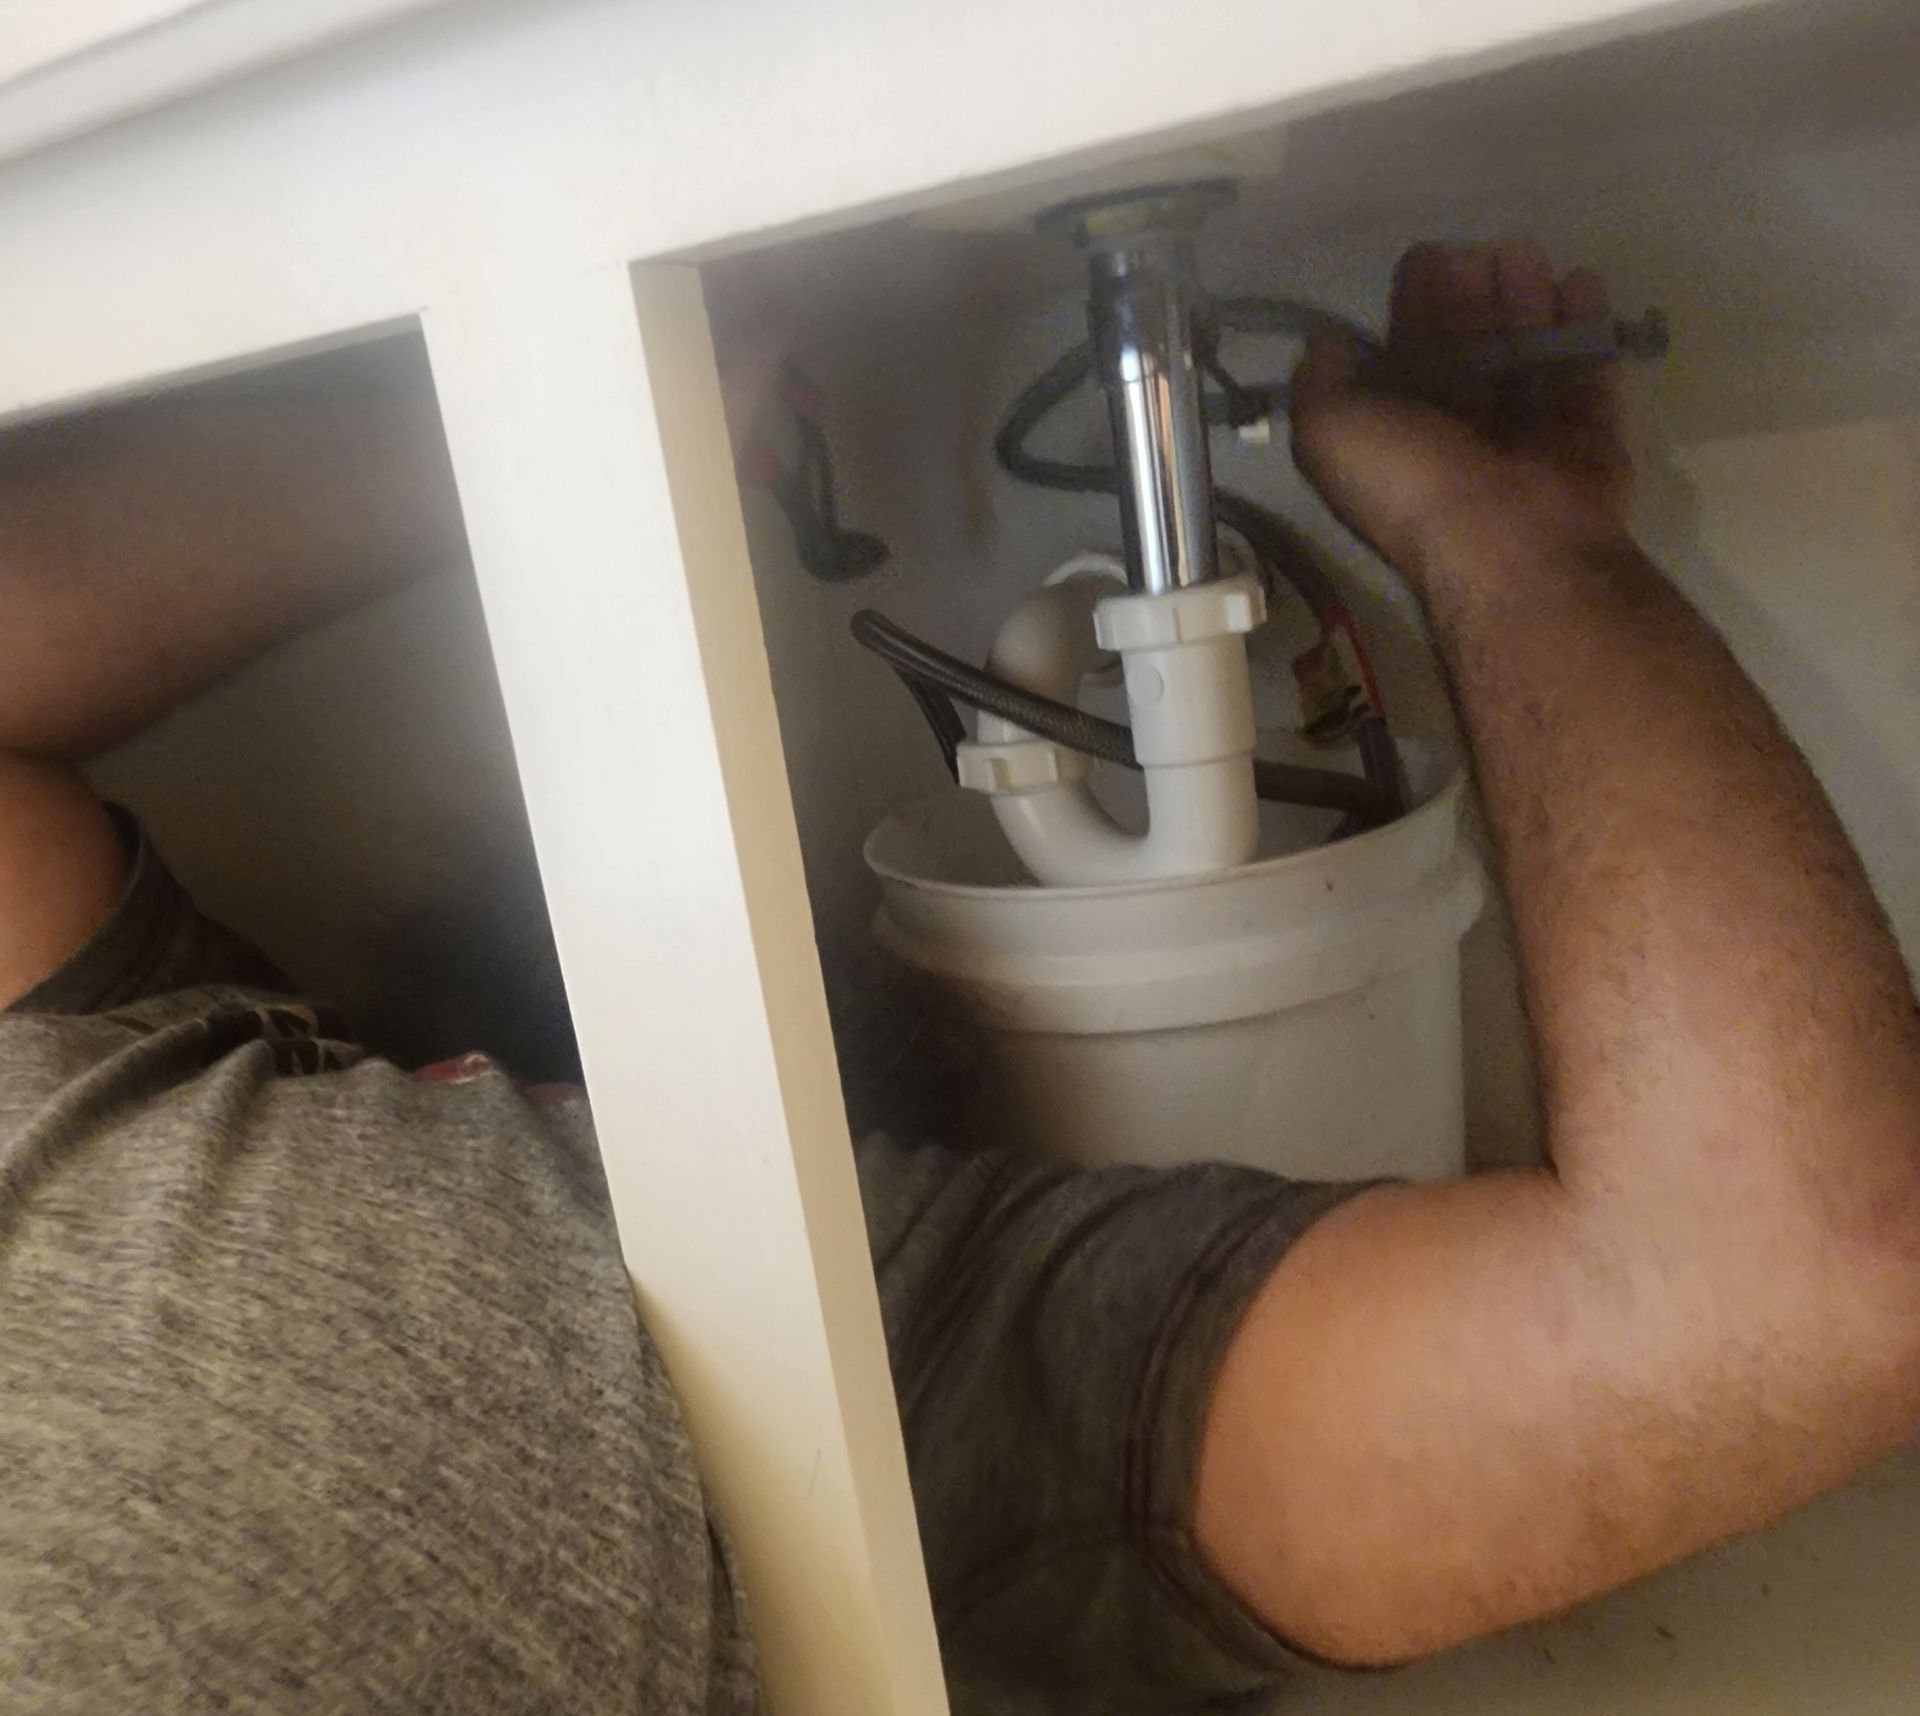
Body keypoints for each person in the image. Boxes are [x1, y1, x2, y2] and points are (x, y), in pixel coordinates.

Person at [2, 239, 1916, 1716]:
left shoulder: (836, 1377)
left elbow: (1787, 1289)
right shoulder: (819, 1395)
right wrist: (1511, 542)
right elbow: (1794, 1279)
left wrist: (581, 400)